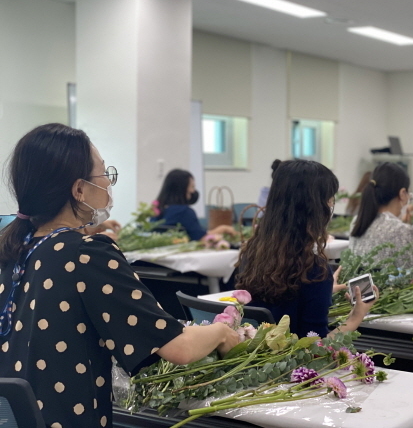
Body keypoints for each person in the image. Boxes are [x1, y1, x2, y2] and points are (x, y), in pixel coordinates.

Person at [0, 124, 239, 427]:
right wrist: (222, 331)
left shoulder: (16, 246)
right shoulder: (87, 254)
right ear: (79, 189)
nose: (108, 184)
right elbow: (178, 347)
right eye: (104, 174)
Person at [235, 159, 378, 338]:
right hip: (292, 364)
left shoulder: (252, 254)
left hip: (257, 358)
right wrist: (356, 316)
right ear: (317, 210)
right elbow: (315, 346)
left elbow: (281, 303)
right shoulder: (314, 272)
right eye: (330, 200)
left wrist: (324, 292)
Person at [349, 162, 413, 268]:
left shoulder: (357, 222)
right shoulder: (401, 230)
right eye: (409, 194)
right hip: (386, 285)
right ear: (402, 193)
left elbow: (400, 260)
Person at [154, 169, 237, 241]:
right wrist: (223, 229)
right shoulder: (185, 212)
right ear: (183, 189)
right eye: (192, 187)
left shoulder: (156, 210)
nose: (193, 191)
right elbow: (201, 238)